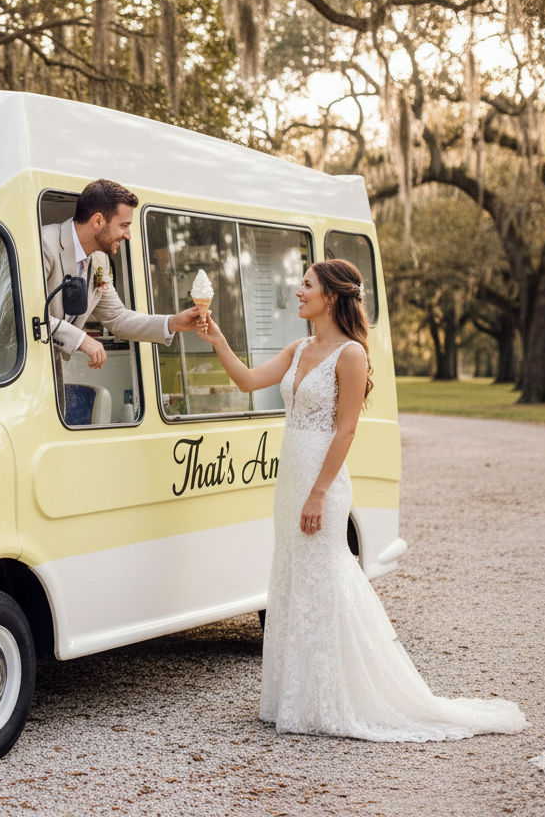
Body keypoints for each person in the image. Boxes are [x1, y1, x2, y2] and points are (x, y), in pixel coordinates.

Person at [194, 258, 528, 742]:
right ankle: (296, 697)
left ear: (330, 295)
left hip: (320, 480)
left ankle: (338, 697)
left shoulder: (351, 355)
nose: (297, 292)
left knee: (324, 575)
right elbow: (247, 381)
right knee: (291, 574)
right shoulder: (299, 348)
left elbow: (346, 428)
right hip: (291, 478)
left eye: (306, 285)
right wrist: (217, 339)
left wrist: (319, 492)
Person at [43, 179, 202, 368]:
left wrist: (172, 323)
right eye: (124, 225)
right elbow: (25, 315)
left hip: (52, 370)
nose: (128, 235)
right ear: (98, 221)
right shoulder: (44, 244)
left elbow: (117, 317)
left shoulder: (100, 260)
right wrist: (80, 339)